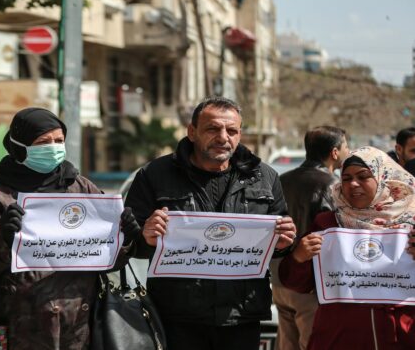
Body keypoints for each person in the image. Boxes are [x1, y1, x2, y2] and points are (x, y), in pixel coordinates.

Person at [0, 107, 139, 350]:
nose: (53, 148)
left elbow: (107, 260)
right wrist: (4, 240)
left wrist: (124, 237)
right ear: (19, 147)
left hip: (79, 331)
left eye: (59, 141)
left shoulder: (81, 188)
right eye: (43, 142)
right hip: (15, 330)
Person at [125, 97, 297, 350]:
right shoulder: (154, 175)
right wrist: (145, 237)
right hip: (177, 317)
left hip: (242, 316)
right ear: (192, 132)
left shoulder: (265, 177)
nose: (223, 137)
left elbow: (277, 243)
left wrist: (283, 244)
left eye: (232, 130)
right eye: (212, 129)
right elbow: (127, 241)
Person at [279, 146, 415, 349]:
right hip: (339, 337)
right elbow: (297, 283)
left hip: (400, 335)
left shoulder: (411, 222)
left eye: (363, 176)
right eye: (346, 178)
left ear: (384, 179)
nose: (353, 184)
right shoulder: (327, 224)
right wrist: (299, 257)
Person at [272, 126, 349, 350]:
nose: (348, 151)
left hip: (279, 279)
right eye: (346, 146)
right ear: (335, 152)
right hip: (310, 283)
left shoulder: (281, 180)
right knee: (314, 344)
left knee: (287, 344)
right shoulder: (332, 186)